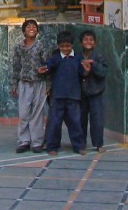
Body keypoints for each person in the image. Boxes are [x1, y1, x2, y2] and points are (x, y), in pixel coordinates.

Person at [40, 30, 86, 156]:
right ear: (58, 46)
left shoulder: (78, 57)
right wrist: (43, 69)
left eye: (68, 46)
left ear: (72, 45)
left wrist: (86, 70)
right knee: (54, 122)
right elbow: (47, 68)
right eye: (62, 46)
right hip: (57, 95)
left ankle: (79, 146)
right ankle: (52, 146)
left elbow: (83, 72)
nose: (65, 49)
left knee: (75, 122)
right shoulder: (55, 58)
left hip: (73, 95)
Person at [10, 19, 47, 153]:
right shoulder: (19, 48)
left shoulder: (41, 46)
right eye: (28, 26)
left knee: (37, 113)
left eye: (34, 26)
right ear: (24, 31)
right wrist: (14, 83)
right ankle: (24, 140)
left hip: (39, 83)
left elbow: (47, 63)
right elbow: (16, 66)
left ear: (37, 31)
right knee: (24, 113)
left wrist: (48, 82)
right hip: (24, 83)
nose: (31, 28)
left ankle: (37, 142)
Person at [79, 30, 108, 153]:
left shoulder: (99, 57)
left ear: (95, 43)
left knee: (97, 120)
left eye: (91, 40)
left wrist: (93, 64)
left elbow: (102, 73)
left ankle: (98, 144)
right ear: (81, 43)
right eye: (85, 40)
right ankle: (81, 144)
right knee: (81, 119)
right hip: (81, 93)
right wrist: (84, 71)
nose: (88, 42)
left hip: (96, 92)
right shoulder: (78, 57)